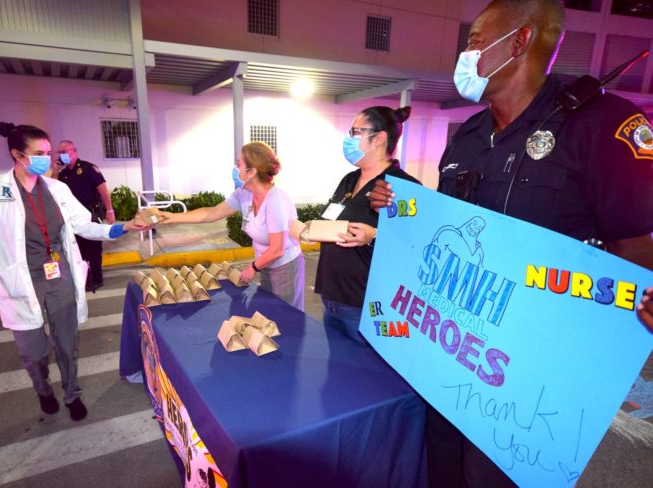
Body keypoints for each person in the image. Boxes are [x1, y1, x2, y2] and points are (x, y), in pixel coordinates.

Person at [370, 1, 653, 486]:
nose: (465, 54)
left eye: (476, 41)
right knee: (443, 473)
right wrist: (401, 210)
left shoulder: (600, 125)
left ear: (519, 41)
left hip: (532, 380)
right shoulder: (468, 135)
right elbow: (447, 230)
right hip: (454, 359)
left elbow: (637, 247)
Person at [0, 123, 142, 421]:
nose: (46, 159)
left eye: (48, 153)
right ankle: (43, 389)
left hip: (60, 275)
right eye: (39, 153)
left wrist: (123, 227)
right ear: (17, 154)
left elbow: (84, 225)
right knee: (33, 354)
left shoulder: (58, 189)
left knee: (67, 344)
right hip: (22, 280)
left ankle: (72, 393)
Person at [313, 106, 420, 343]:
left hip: (365, 305)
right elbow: (332, 218)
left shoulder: (402, 187)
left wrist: (374, 235)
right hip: (332, 297)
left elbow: (414, 244)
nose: (349, 139)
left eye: (356, 132)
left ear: (379, 138)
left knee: (364, 365)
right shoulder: (350, 179)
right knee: (335, 363)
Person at [158, 141, 306, 310]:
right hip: (265, 263)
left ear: (252, 172)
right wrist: (172, 217)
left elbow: (277, 249)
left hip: (285, 266)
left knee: (286, 315)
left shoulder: (275, 201)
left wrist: (252, 267)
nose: (235, 169)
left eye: (238, 164)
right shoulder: (244, 194)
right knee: (270, 312)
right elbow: (210, 213)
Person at [55, 140, 116, 292]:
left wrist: (110, 210)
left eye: (64, 152)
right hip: (73, 217)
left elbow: (103, 189)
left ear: (74, 151)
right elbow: (53, 188)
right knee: (80, 249)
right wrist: (55, 170)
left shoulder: (89, 168)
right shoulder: (63, 173)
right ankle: (85, 277)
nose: (62, 155)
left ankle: (96, 279)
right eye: (59, 153)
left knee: (93, 248)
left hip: (91, 214)